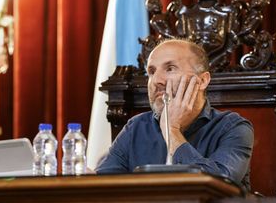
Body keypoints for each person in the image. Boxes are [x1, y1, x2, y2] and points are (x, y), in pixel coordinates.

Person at [96, 39, 254, 190]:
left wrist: (171, 130)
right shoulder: (135, 127)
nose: (157, 80)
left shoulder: (233, 128)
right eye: (151, 72)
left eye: (170, 68)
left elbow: (219, 187)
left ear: (202, 80)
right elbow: (103, 187)